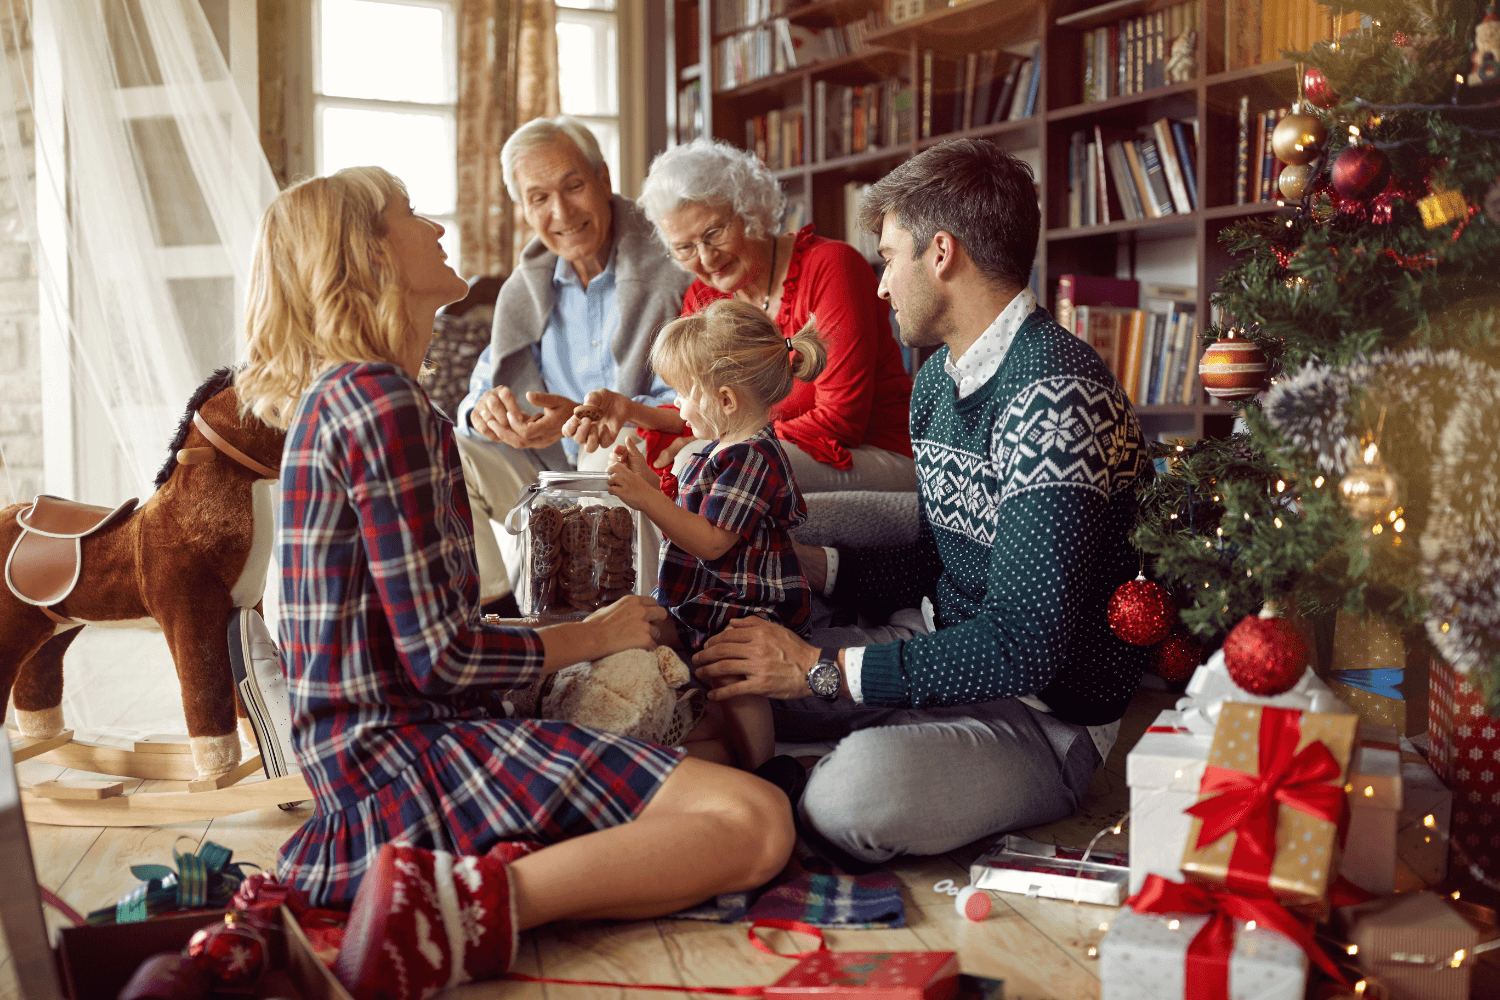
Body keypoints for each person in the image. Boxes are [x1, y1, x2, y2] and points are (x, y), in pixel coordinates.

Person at [235, 166, 793, 998]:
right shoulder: (381, 401)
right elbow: (443, 660)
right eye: (411, 215)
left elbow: (425, 643)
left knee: (697, 761)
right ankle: (450, 909)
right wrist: (596, 634)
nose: (437, 228)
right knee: (756, 819)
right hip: (399, 769)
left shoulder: (348, 394)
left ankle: (471, 881)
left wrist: (573, 639)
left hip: (367, 762)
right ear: (370, 256)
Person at [691, 139, 1152, 868]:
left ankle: (825, 773)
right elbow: (938, 557)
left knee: (852, 796)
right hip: (935, 642)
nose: (881, 287)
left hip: (1043, 716)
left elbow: (1024, 645)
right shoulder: (938, 380)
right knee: (729, 683)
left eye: (888, 258)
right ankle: (830, 759)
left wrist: (819, 669)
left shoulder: (1054, 394)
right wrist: (817, 565)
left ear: (941, 253)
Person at [453, 117, 694, 600]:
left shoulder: (672, 265)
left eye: (574, 186)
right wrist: (484, 413)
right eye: (539, 198)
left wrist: (585, 419)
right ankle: (499, 614)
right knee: (450, 454)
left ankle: (626, 616)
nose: (561, 211)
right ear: (525, 209)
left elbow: (691, 398)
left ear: (604, 179)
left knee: (609, 446)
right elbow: (480, 391)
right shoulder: (527, 286)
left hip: (632, 458)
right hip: (547, 471)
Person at [605, 299, 827, 770]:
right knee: (643, 627)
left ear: (726, 400)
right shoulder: (717, 450)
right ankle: (701, 736)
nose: (676, 405)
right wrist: (650, 485)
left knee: (732, 669)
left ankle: (765, 769)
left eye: (683, 393)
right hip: (704, 597)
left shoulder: (752, 457)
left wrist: (647, 500)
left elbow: (711, 541)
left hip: (743, 604)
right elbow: (687, 519)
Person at [625, 138, 917, 494]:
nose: (706, 257)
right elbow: (702, 410)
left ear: (749, 209)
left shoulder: (833, 267)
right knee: (628, 455)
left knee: (709, 465)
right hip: (770, 445)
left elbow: (839, 422)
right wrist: (628, 411)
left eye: (714, 233)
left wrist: (715, 446)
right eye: (685, 247)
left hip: (873, 453)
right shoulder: (704, 298)